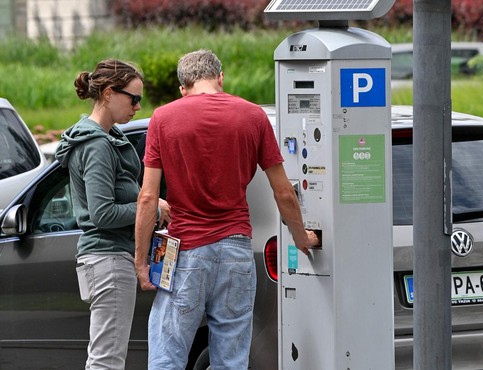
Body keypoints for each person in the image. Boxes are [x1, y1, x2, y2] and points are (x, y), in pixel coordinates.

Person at [134, 49, 319, 369]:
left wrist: (140, 260)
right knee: (232, 356)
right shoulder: (253, 116)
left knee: (168, 350)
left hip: (186, 250)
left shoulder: (163, 118)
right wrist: (302, 237)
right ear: (220, 78)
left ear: (183, 87)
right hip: (235, 249)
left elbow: (148, 198)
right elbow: (284, 191)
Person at [55, 59, 170, 369]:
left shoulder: (106, 138)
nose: (138, 105)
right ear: (108, 94)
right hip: (107, 259)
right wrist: (151, 207)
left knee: (107, 355)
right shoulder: (96, 146)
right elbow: (102, 213)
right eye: (133, 98)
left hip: (106, 259)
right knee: (107, 360)